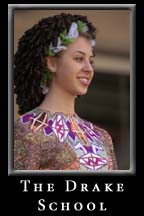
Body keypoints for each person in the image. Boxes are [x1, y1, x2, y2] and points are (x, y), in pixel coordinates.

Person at [14, 13, 117, 170]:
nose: (89, 69)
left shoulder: (102, 137)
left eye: (91, 61)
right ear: (51, 63)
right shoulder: (26, 130)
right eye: (78, 59)